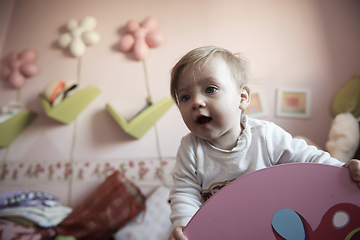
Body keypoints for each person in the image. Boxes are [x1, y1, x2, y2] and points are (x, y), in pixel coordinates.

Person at [168, 46, 360, 240]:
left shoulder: (266, 135)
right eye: (185, 97)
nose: (196, 102)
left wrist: (342, 170)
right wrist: (187, 229)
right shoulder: (190, 149)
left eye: (210, 89)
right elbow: (184, 194)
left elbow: (309, 158)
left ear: (242, 98)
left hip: (272, 224)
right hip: (224, 230)